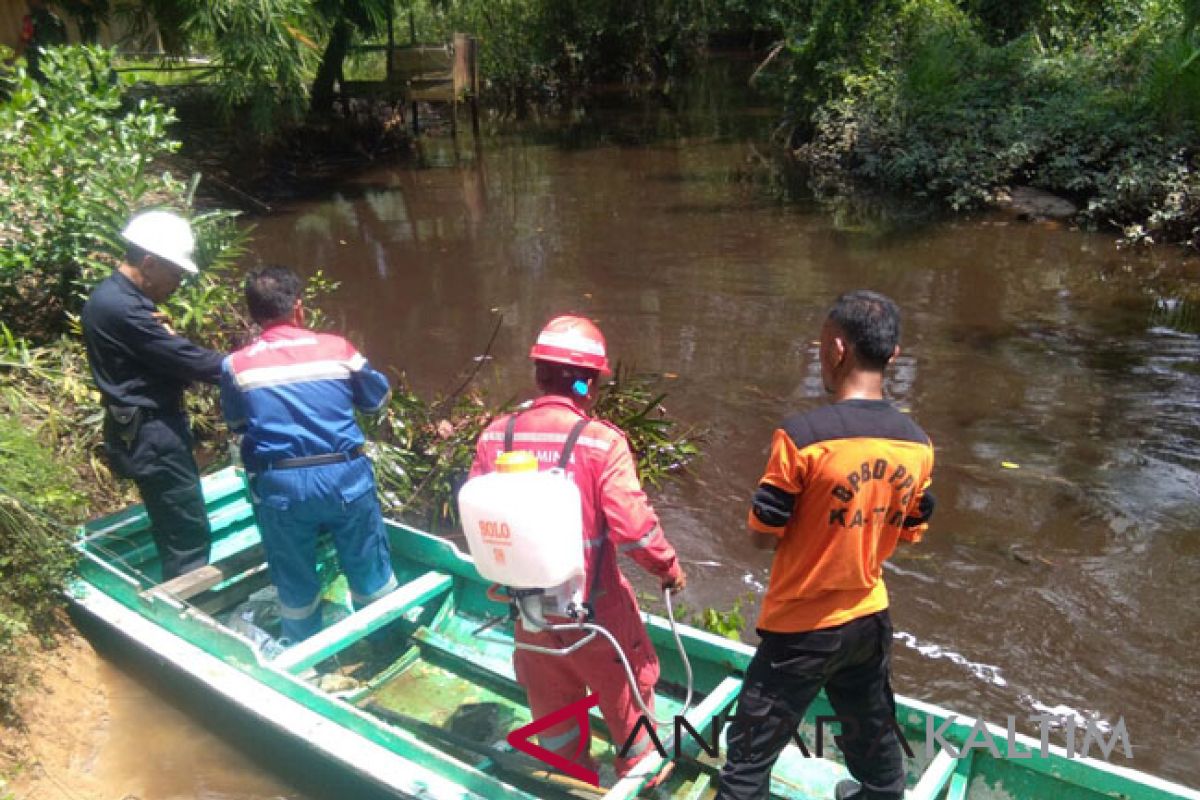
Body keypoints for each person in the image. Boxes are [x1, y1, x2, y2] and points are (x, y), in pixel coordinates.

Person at [715, 290, 936, 800]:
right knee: (872, 729)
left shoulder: (802, 438)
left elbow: (759, 535)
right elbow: (910, 531)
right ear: (893, 355)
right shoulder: (918, 444)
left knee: (749, 752)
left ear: (836, 349)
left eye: (820, 347)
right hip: (868, 616)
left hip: (802, 627)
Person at [468, 314, 687, 779]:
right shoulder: (602, 443)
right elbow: (635, 530)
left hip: (528, 613)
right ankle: (638, 773)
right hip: (595, 613)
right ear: (588, 385)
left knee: (551, 707)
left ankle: (569, 776)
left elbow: (479, 519)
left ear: (538, 374)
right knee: (631, 691)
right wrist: (668, 569)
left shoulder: (496, 436)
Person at [220, 265, 397, 643]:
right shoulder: (339, 349)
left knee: (294, 578)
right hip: (345, 478)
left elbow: (237, 424)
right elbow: (376, 399)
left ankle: (305, 651)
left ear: (254, 315)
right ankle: (386, 642)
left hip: (282, 486)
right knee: (370, 570)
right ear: (298, 308)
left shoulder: (236, 365)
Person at [82, 210, 224, 581]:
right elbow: (186, 360)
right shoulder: (123, 309)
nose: (177, 283)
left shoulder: (118, 299)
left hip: (143, 428)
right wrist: (249, 366)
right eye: (175, 273)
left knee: (173, 517)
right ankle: (188, 612)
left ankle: (178, 588)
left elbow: (158, 353)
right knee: (186, 528)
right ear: (149, 262)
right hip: (152, 432)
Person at [15, 0, 67, 81]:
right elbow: (65, 44)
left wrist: (13, 59)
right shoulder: (57, 20)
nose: (27, 2)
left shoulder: (30, 20)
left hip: (38, 66)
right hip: (57, 64)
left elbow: (24, 40)